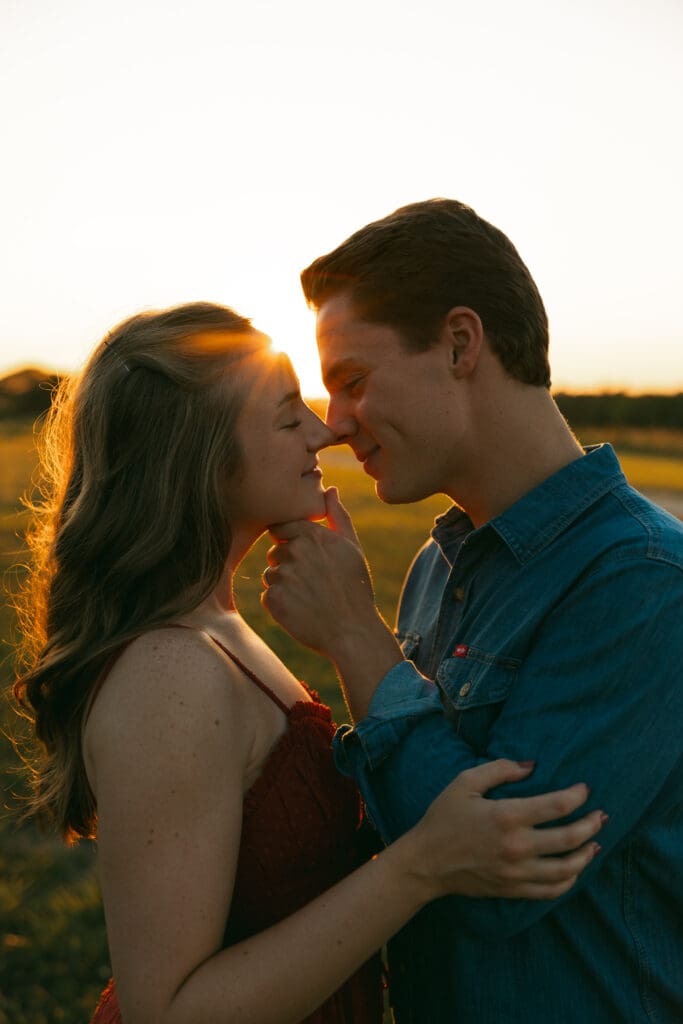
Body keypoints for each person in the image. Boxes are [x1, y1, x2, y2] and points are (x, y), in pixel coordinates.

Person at [11, 301, 603, 1024]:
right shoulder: (170, 672)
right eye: (289, 417)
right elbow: (166, 1012)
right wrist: (418, 867)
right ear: (199, 456)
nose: (324, 432)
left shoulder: (216, 626)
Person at [260, 200, 683, 1023]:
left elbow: (494, 889)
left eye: (352, 381)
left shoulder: (641, 580)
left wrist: (354, 635)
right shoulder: (437, 565)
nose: (333, 425)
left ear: (460, 343)